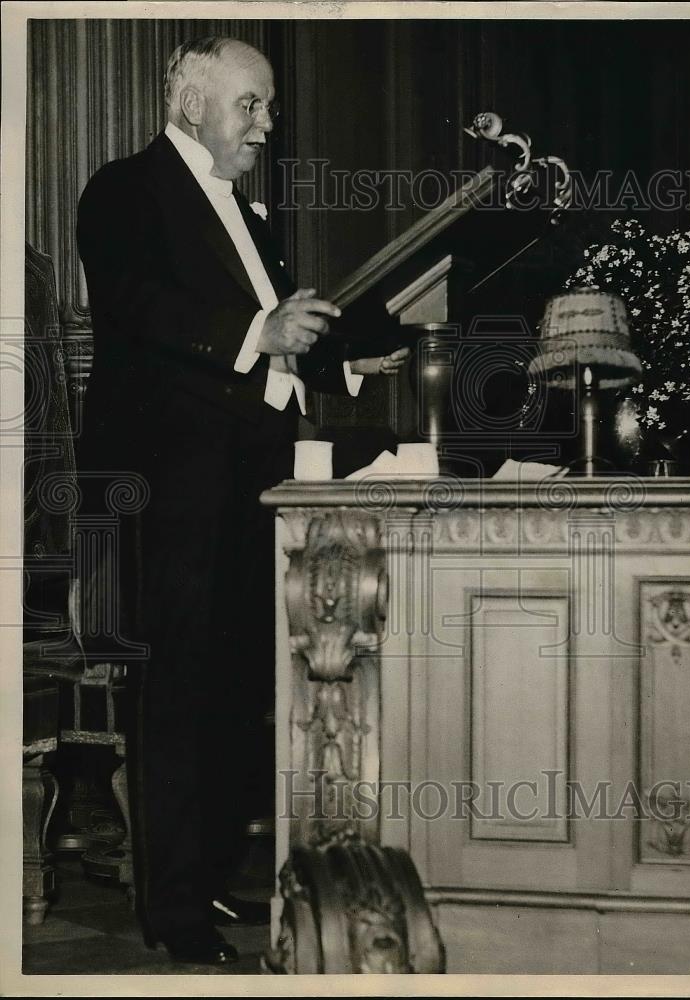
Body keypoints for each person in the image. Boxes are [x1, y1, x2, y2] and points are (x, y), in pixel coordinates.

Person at [76, 36, 407, 966]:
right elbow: (138, 306)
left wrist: (339, 356)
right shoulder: (124, 188)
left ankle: (215, 876)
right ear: (192, 105)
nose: (267, 124)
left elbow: (275, 338)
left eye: (267, 107)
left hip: (253, 469)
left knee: (236, 680)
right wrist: (258, 328)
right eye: (250, 106)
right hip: (169, 473)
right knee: (178, 686)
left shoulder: (248, 214)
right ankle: (172, 908)